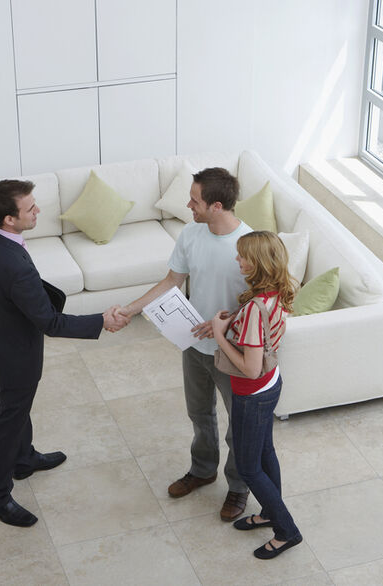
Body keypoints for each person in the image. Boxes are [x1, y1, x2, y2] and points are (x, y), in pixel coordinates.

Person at [0, 179, 128, 527]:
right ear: (10, 219)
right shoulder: (17, 269)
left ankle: (23, 459)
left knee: (16, 408)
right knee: (8, 420)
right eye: (30, 208)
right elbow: (51, 323)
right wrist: (101, 320)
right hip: (15, 357)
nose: (38, 210)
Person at [118, 167, 253, 521]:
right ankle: (203, 469)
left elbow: (270, 301)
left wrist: (226, 324)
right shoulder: (191, 233)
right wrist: (131, 310)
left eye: (195, 200)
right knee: (199, 414)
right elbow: (172, 281)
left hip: (234, 353)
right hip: (194, 346)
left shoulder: (250, 245)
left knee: (237, 428)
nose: (188, 205)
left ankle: (239, 488)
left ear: (217, 205)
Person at [211, 231, 302, 559]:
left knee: (249, 467)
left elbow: (249, 368)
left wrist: (220, 336)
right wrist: (233, 321)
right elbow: (263, 339)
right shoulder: (276, 293)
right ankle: (269, 512)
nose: (238, 260)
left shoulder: (253, 308)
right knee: (265, 453)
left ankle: (286, 531)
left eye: (243, 256)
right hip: (270, 383)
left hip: (252, 392)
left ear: (259, 263)